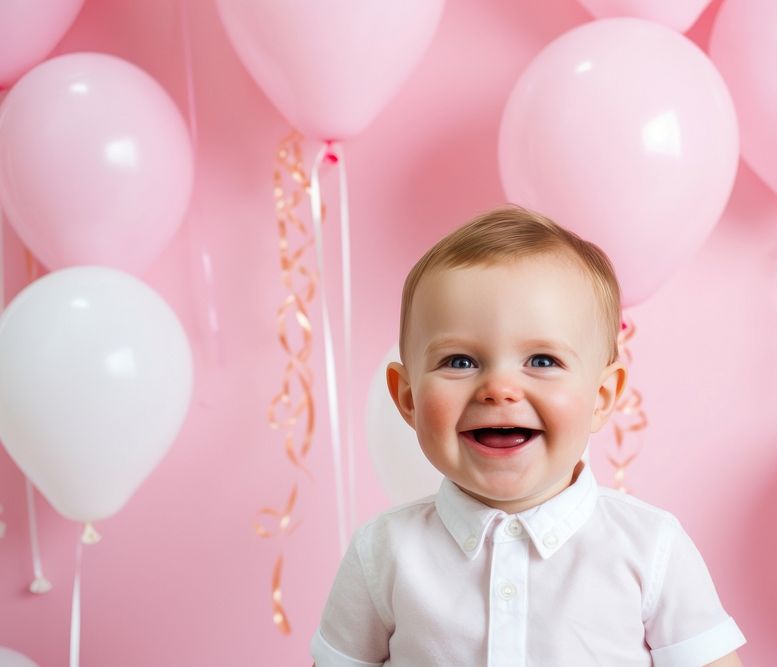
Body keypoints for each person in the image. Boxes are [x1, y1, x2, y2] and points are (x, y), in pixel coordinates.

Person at [310, 206, 746, 666]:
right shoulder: (382, 554)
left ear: (601, 396)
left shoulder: (650, 548)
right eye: (460, 361)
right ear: (408, 398)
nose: (499, 388)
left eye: (541, 361)